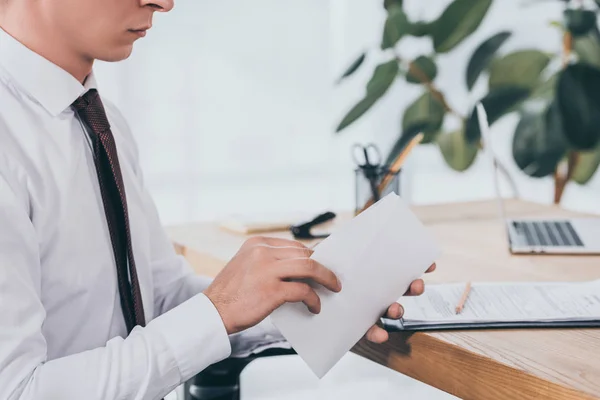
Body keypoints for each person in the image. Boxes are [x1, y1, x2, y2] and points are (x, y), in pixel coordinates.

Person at [0, 0, 435, 399]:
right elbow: (18, 390)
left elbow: (160, 299)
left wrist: (318, 302)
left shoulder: (99, 120)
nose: (164, 2)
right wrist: (219, 309)